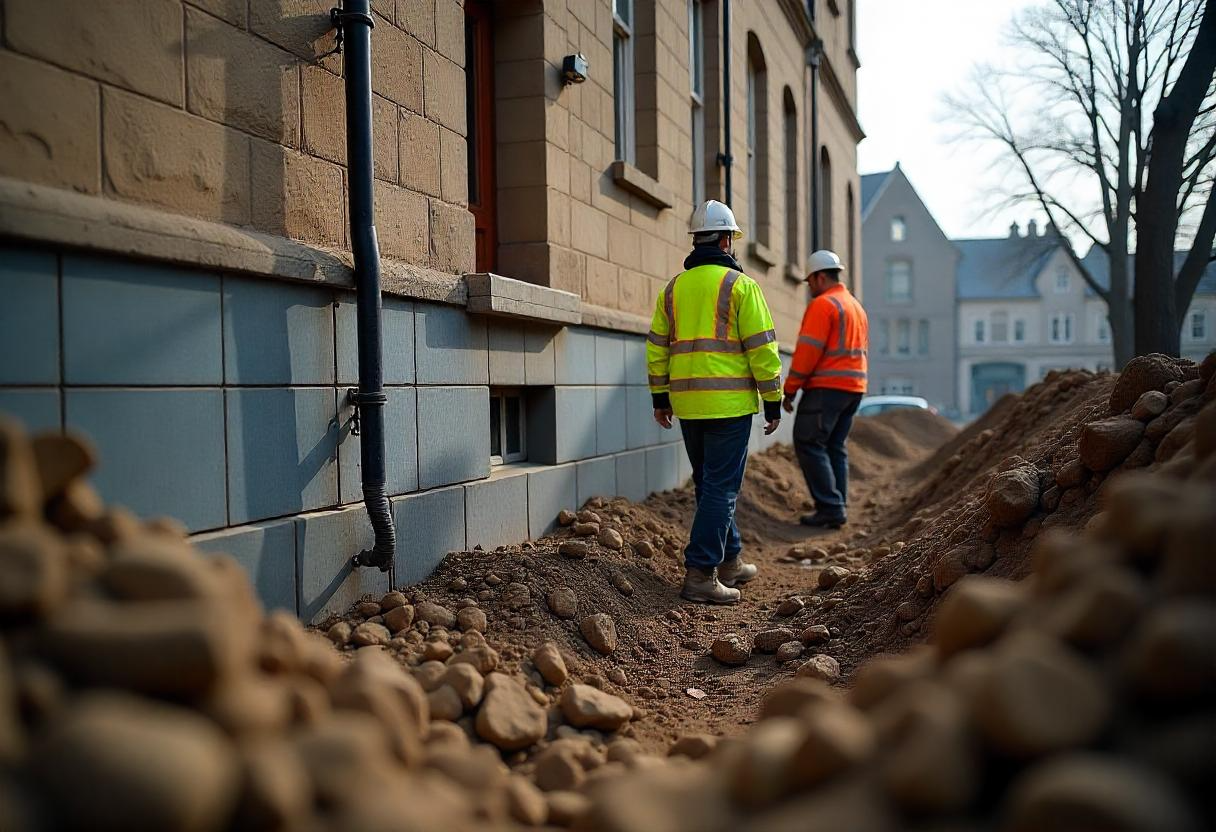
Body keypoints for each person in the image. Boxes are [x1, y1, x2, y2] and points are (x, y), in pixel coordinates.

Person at [647, 200, 784, 604]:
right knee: (721, 489)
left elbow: (656, 348)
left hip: (688, 404)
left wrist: (660, 396)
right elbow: (763, 349)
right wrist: (773, 399)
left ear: (696, 241)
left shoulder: (673, 288)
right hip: (728, 406)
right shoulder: (741, 287)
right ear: (727, 240)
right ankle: (701, 573)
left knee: (710, 484)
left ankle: (731, 562)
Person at [782, 249, 868, 528]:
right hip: (854, 387)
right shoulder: (855, 306)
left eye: (809, 283)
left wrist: (791, 388)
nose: (809, 289)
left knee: (808, 441)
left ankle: (831, 508)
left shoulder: (823, 305)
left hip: (827, 387)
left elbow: (808, 351)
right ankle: (837, 504)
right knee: (834, 445)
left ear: (819, 277)